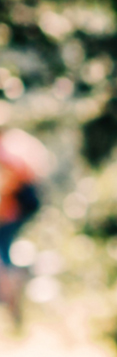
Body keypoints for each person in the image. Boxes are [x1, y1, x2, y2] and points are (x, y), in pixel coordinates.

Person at [0, 128, 48, 339]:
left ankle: (12, 303)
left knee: (3, 258)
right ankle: (13, 306)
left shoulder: (7, 151)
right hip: (17, 209)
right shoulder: (15, 142)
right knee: (5, 256)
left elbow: (10, 183)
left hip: (12, 211)